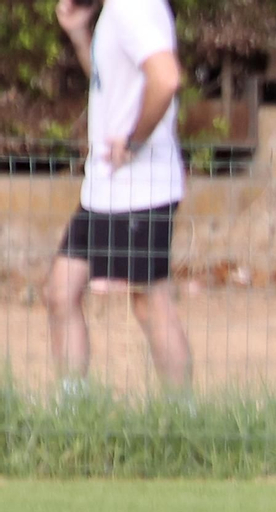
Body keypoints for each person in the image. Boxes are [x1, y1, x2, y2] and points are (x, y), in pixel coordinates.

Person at [47, 0, 191, 393]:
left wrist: (133, 140)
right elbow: (108, 81)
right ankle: (73, 413)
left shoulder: (133, 5)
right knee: (61, 293)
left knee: (149, 302)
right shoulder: (117, 9)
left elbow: (166, 79)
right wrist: (80, 35)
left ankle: (185, 420)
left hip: (140, 188)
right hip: (104, 189)